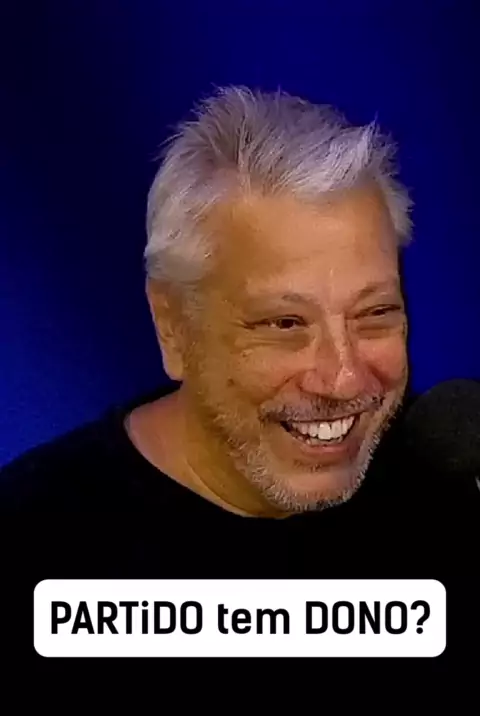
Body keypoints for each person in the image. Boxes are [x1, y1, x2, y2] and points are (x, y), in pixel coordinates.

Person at [0, 87, 476, 561]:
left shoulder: (453, 482)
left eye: (374, 315)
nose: (344, 379)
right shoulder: (33, 538)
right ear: (172, 325)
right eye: (285, 323)